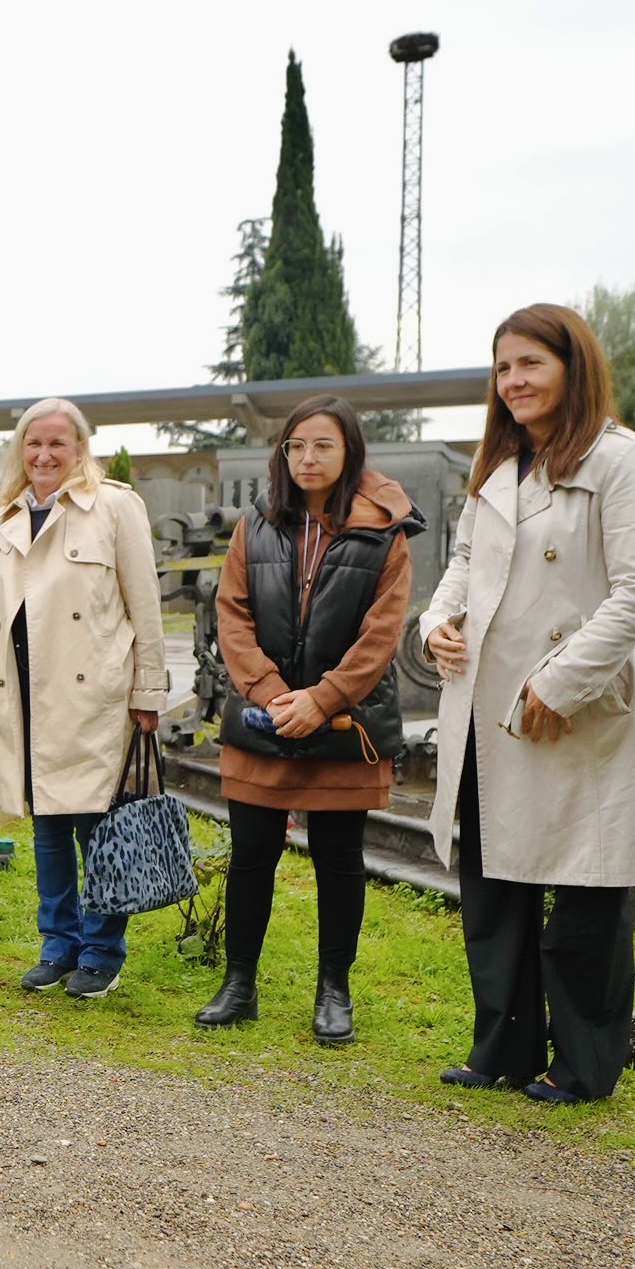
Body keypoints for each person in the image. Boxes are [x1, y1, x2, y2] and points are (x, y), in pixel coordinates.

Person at [421, 307, 635, 1100]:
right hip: (489, 701)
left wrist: (561, 682)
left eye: (531, 363)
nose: (514, 381)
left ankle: (585, 1063)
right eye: (503, 368)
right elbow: (463, 562)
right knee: (495, 888)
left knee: (589, 889)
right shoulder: (498, 465)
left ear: (573, 366)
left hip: (577, 704)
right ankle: (503, 1047)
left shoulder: (622, 460)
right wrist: (435, 623)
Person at [202, 395, 422, 1044]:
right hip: (263, 718)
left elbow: (382, 634)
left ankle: (334, 990)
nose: (307, 458)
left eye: (323, 444)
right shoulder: (256, 524)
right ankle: (239, 983)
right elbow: (232, 613)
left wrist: (322, 700)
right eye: (296, 445)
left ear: (349, 451)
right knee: (251, 853)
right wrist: (274, 694)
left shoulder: (384, 530)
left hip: (344, 722)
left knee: (338, 858)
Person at [0, 396, 166, 999]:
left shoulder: (114, 506)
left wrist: (148, 690)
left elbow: (145, 605)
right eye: (34, 442)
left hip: (94, 696)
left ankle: (102, 952)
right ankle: (58, 945)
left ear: (80, 448)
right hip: (28, 695)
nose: (45, 454)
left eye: (57, 442)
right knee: (49, 826)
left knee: (98, 827)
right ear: (20, 450)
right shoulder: (6, 518)